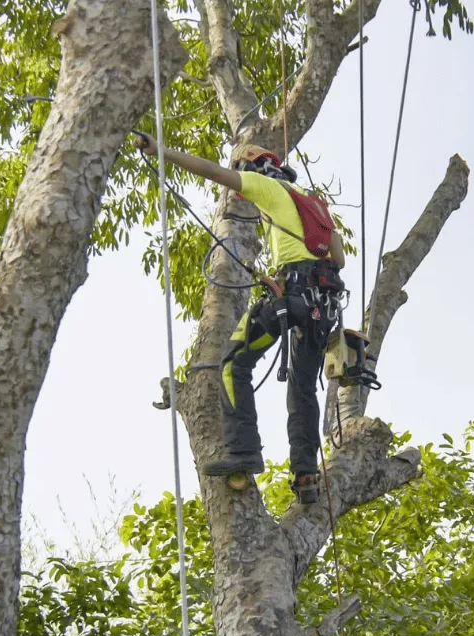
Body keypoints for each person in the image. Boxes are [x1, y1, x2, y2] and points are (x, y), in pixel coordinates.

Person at [135, 135, 346, 504]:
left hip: (294, 300)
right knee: (303, 389)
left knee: (234, 363)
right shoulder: (315, 206)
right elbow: (338, 259)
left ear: (254, 169)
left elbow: (212, 172)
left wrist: (160, 151)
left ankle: (244, 450)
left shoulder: (268, 186)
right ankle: (306, 474)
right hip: (320, 308)